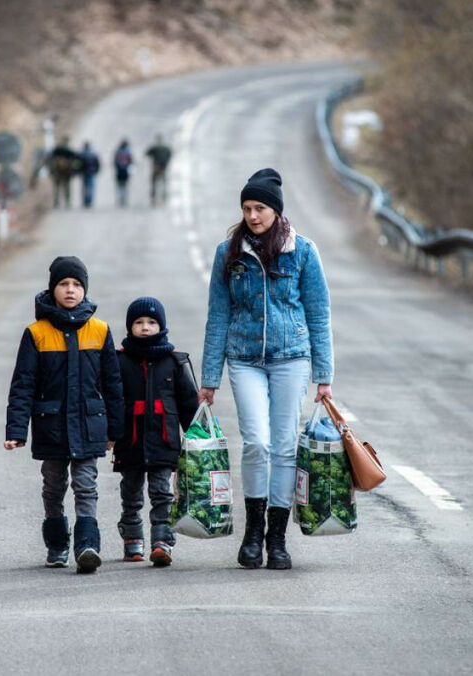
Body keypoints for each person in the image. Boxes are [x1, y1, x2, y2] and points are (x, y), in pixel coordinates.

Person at [198, 168, 334, 571]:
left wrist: (324, 375)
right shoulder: (229, 253)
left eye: (259, 208)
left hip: (292, 357)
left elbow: (318, 313)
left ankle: (277, 539)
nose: (253, 215)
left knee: (284, 446)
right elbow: (217, 316)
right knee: (256, 442)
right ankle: (252, 533)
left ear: (275, 210)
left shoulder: (303, 251)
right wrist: (209, 379)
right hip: (244, 359)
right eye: (246, 208)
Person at [5, 256, 124, 573]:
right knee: (54, 486)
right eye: (63, 284)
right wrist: (17, 430)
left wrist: (115, 429)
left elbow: (112, 384)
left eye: (76, 284)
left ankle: (87, 546)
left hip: (88, 425)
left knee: (86, 485)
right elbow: (23, 385)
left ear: (85, 289)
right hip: (51, 426)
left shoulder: (99, 331)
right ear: (52, 288)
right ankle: (57, 545)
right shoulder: (37, 333)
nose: (70, 290)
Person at [112, 297, 198, 567]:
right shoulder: (119, 361)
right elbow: (111, 401)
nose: (145, 327)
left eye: (151, 322)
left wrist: (197, 437)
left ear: (161, 326)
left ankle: (162, 541)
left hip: (164, 440)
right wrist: (109, 433)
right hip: (130, 441)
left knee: (162, 492)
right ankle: (132, 539)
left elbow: (188, 404)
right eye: (139, 322)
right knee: (131, 492)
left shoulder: (174, 361)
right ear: (130, 327)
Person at [48, 136, 80, 208]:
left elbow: (50, 159)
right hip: (67, 173)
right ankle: (67, 202)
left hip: (57, 173)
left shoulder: (56, 150)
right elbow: (76, 161)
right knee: (67, 187)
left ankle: (56, 202)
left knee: (57, 188)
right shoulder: (69, 150)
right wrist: (75, 171)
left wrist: (51, 171)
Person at [145, 135, 172, 206]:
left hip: (156, 167)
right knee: (163, 182)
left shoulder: (154, 148)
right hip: (163, 167)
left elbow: (147, 153)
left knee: (154, 182)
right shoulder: (166, 148)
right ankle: (164, 196)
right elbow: (170, 154)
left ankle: (153, 198)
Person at [78, 141, 101, 208]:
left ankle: (85, 201)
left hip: (84, 173)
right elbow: (97, 164)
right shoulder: (93, 154)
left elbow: (77, 164)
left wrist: (78, 171)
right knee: (91, 188)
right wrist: (96, 171)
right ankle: (90, 201)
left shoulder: (81, 154)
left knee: (84, 188)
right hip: (91, 173)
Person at [113, 139, 134, 207]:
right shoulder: (128, 152)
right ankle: (123, 199)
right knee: (124, 186)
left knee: (119, 186)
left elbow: (114, 162)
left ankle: (120, 199)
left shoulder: (118, 152)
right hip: (125, 171)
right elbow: (131, 161)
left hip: (119, 171)